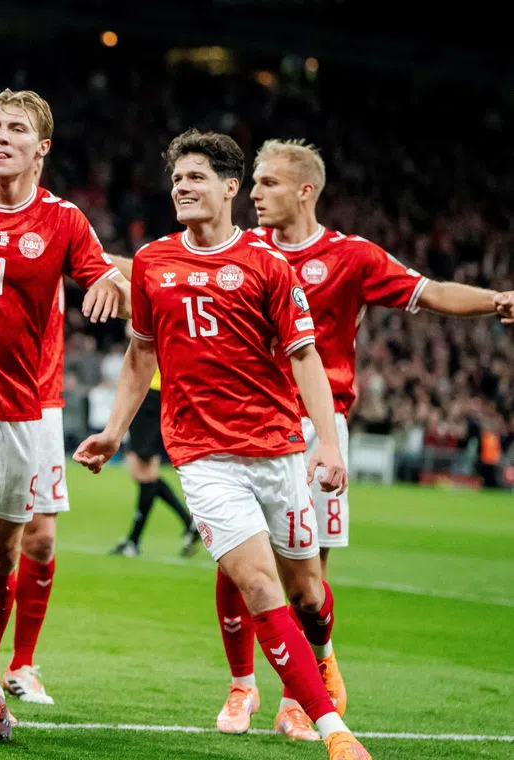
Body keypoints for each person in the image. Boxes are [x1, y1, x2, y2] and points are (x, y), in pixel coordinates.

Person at [74, 129, 373, 760]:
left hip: (279, 449)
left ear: (229, 187)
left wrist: (328, 448)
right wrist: (114, 431)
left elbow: (306, 359)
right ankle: (330, 728)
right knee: (259, 586)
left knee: (308, 595)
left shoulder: (269, 266)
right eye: (177, 179)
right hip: (203, 456)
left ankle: (321, 658)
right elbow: (140, 356)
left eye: (196, 178)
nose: (182, 188)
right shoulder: (154, 261)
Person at [219, 138, 511, 736]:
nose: (253, 193)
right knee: (236, 564)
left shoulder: (350, 256)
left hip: (319, 430)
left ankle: (301, 693)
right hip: (248, 422)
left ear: (305, 190)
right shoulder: (241, 251)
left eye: (267, 183)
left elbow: (428, 292)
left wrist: (498, 300)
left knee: (308, 583)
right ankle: (241, 687)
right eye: (252, 183)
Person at [0, 89, 126, 739]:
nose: (0, 136)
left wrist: (111, 283)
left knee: (4, 557)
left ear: (42, 149)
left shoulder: (63, 221)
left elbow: (102, 278)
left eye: (16, 128)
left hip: (26, 411)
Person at [109, 348, 200, 558]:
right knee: (142, 470)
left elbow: (138, 334)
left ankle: (134, 541)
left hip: (150, 389)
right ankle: (187, 525)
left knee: (145, 472)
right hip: (159, 390)